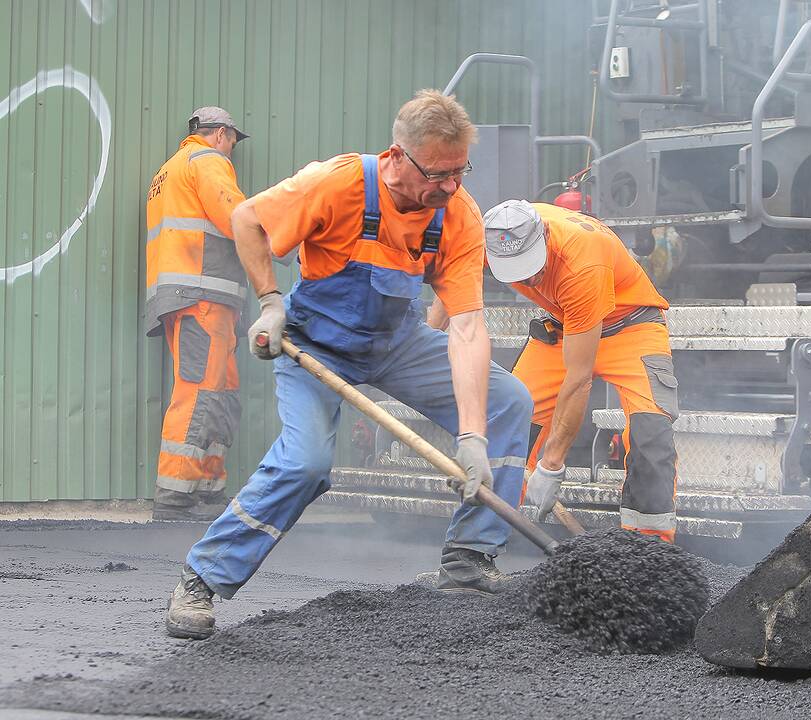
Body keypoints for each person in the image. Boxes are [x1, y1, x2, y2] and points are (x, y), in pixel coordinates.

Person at [164, 90, 532, 640]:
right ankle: (204, 577)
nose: (451, 186)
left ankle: (469, 558)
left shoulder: (457, 214)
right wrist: (269, 304)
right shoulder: (337, 183)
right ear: (397, 158)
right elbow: (246, 220)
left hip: (396, 343)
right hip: (315, 343)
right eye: (439, 173)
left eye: (460, 171)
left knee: (509, 402)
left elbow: (466, 327)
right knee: (306, 463)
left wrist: (474, 434)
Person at [477, 200, 680, 542]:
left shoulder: (582, 260)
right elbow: (450, 284)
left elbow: (579, 377)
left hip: (630, 327)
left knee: (650, 434)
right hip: (562, 328)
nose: (528, 279)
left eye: (533, 268)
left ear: (543, 236)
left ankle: (648, 550)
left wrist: (551, 464)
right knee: (511, 427)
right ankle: (477, 547)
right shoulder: (491, 240)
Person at [146, 107, 249, 522]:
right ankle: (174, 496)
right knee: (200, 391)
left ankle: (208, 488)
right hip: (202, 294)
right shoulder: (207, 161)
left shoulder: (168, 171)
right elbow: (236, 217)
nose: (233, 152)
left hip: (191, 297)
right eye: (234, 143)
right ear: (222, 134)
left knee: (220, 392)